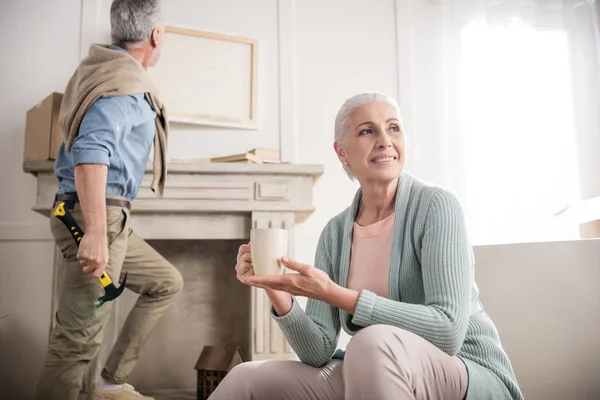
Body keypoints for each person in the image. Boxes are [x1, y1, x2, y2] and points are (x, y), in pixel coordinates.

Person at [209, 92, 524, 400]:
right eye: (367, 130)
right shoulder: (335, 233)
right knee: (246, 378)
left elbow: (448, 332)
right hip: (376, 364)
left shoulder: (437, 206)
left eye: (393, 128)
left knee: (369, 342)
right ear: (342, 152)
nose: (385, 140)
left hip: (468, 372)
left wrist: (334, 293)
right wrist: (273, 286)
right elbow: (317, 351)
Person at [35, 1, 183, 399]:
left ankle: (109, 384)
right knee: (76, 342)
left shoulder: (100, 71)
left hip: (101, 216)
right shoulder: (125, 85)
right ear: (155, 36)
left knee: (166, 282)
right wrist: (97, 232)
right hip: (97, 216)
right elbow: (92, 150)